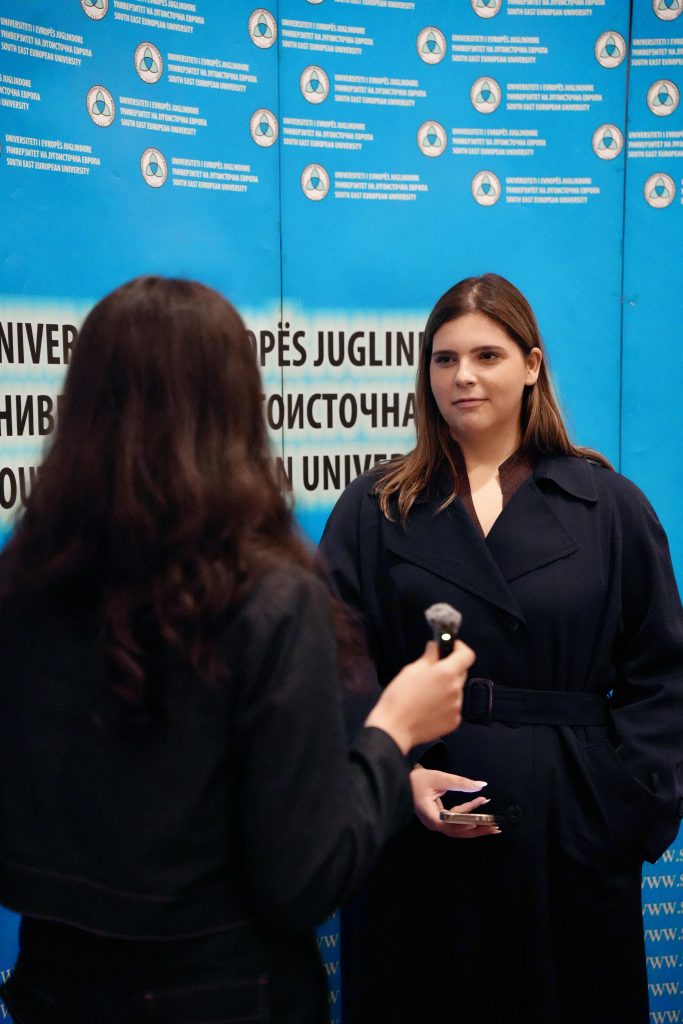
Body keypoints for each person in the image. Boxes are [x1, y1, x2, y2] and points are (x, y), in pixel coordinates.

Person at [0, 276, 482, 1024]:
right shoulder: (266, 597)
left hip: (52, 987)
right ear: (233, 404)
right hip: (219, 994)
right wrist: (393, 732)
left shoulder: (22, 581)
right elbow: (305, 877)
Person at [319, 273, 683, 1024]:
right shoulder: (374, 506)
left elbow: (662, 674)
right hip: (414, 844)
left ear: (532, 365)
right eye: (444, 359)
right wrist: (394, 777)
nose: (463, 377)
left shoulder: (606, 506)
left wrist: (616, 807)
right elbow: (332, 667)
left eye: (486, 355)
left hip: (565, 839)